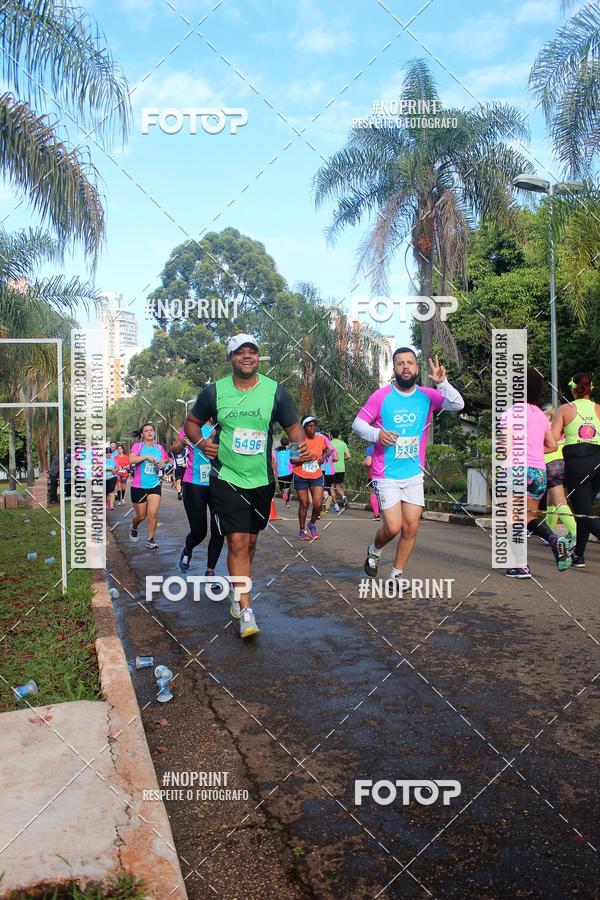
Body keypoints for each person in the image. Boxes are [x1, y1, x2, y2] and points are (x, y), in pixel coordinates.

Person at [185, 334, 312, 638]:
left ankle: (237, 587)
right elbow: (191, 422)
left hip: (261, 481)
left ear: (258, 357)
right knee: (237, 542)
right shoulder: (214, 392)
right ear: (231, 359)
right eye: (239, 352)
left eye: (251, 352)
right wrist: (202, 443)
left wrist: (296, 456)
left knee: (251, 544)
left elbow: (293, 426)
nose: (246, 357)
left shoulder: (274, 391)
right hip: (226, 477)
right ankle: (246, 610)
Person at [353, 349, 464, 581]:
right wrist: (377, 434)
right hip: (387, 473)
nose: (406, 367)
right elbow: (358, 423)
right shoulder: (381, 396)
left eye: (410, 363)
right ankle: (374, 549)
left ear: (416, 368)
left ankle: (396, 574)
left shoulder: (427, 395)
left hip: (414, 473)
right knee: (393, 527)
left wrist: (442, 383)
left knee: (411, 528)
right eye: (401, 363)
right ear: (394, 369)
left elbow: (457, 404)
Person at [501, 369, 571, 577]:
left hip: (515, 470)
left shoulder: (509, 414)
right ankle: (554, 538)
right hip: (538, 472)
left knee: (513, 519)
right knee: (528, 516)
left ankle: (521, 565)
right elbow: (551, 444)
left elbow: (505, 448)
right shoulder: (540, 415)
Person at [552, 372, 600, 568]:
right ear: (591, 388)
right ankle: (578, 555)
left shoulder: (564, 409)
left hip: (577, 464)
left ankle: (579, 554)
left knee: (584, 513)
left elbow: (553, 439)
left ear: (573, 388)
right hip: (598, 462)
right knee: (585, 509)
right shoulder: (598, 408)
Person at [173, 420, 225, 578]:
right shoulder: (192, 427)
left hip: (218, 483)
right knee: (199, 531)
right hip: (194, 484)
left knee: (219, 529)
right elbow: (174, 450)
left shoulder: (223, 427)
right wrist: (182, 443)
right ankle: (188, 549)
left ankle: (210, 571)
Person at [128, 423, 169, 550]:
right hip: (139, 486)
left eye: (151, 430)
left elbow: (166, 460)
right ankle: (134, 526)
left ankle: (150, 539)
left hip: (154, 484)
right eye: (146, 431)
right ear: (142, 435)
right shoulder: (138, 446)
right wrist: (146, 456)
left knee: (153, 513)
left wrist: (162, 463)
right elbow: (131, 460)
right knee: (141, 516)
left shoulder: (159, 448)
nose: (149, 432)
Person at [541, 404, 576, 545]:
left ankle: (576, 532)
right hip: (562, 464)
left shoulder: (544, 427)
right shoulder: (559, 427)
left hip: (549, 465)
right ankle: (548, 534)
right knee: (551, 501)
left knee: (559, 501)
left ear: (547, 414)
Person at [292, 416, 328, 540]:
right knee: (304, 504)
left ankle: (311, 524)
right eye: (310, 426)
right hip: (300, 475)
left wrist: (323, 458)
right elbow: (292, 459)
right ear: (304, 427)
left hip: (316, 475)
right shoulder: (297, 440)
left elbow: (326, 450)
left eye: (314, 426)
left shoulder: (321, 439)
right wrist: (307, 458)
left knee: (317, 504)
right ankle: (302, 530)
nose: (313, 428)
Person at [330, 428, 350, 510]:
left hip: (331, 468)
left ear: (331, 435)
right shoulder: (343, 444)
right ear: (338, 435)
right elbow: (348, 456)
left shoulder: (329, 443)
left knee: (331, 487)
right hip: (341, 468)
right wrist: (342, 458)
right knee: (338, 486)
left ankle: (336, 505)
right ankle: (343, 496)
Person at [273, 435, 293, 507]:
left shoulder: (276, 452)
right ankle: (287, 503)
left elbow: (274, 462)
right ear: (287, 443)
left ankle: (283, 491)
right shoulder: (290, 451)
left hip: (280, 472)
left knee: (281, 486)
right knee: (288, 486)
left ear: (281, 443)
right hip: (289, 471)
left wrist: (274, 471)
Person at [363, 443, 380, 519]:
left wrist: (364, 463)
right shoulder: (388, 447)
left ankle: (376, 515)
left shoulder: (370, 448)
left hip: (374, 474)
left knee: (373, 493)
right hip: (388, 474)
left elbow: (368, 462)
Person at [105, 446, 118, 510]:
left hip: (112, 477)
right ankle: (106, 503)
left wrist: (115, 470)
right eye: (107, 453)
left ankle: (111, 505)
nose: (108, 454)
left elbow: (117, 467)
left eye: (109, 452)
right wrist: (109, 468)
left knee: (112, 491)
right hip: (104, 478)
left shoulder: (114, 459)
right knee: (105, 492)